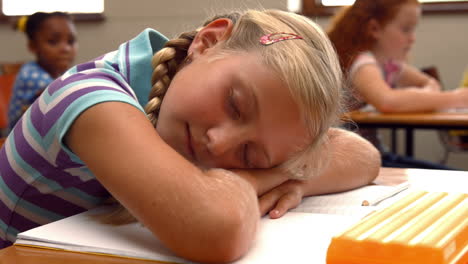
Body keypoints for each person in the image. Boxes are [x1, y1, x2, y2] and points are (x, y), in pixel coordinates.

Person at [0, 9, 380, 263]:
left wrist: (295, 179)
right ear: (208, 43)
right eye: (234, 104)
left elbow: (363, 157)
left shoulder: (179, 99)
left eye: (250, 154)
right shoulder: (89, 97)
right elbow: (218, 230)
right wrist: (264, 176)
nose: (220, 143)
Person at [328, 0, 468, 169]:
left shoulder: (390, 65)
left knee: (453, 175)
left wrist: (427, 96)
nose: (412, 38)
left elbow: (429, 82)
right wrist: (453, 98)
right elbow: (387, 101)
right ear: (374, 29)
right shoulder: (363, 63)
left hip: (375, 155)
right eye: (406, 29)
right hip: (351, 161)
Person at [7, 12, 78, 132]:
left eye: (70, 41)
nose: (66, 48)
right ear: (33, 46)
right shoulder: (31, 76)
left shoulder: (56, 73)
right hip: (23, 147)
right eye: (53, 42)